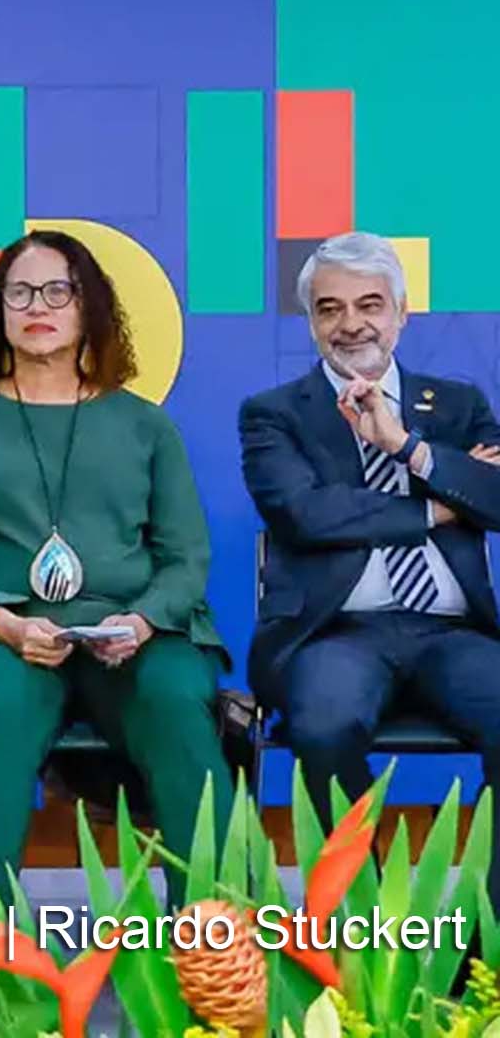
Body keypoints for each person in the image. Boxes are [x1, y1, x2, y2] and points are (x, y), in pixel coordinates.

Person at [0, 230, 234, 889]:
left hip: (133, 634)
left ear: (88, 307)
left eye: (58, 290)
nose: (39, 305)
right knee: (3, 701)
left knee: (175, 698)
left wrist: (142, 623)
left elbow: (185, 559)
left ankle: (222, 949)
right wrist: (6, 625)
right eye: (21, 291)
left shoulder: (146, 426)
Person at [243, 231, 500, 901]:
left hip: (452, 633)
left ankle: (488, 939)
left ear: (401, 312)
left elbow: (497, 499)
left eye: (369, 304)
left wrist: (408, 449)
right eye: (330, 308)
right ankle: (375, 922)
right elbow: (306, 515)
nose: (351, 323)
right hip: (335, 632)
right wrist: (439, 504)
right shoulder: (273, 415)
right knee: (322, 725)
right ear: (311, 320)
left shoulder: (457, 406)